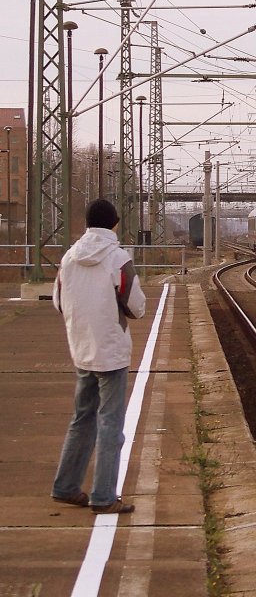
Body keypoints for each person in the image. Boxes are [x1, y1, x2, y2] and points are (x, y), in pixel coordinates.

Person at [50, 198, 146, 514]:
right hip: (112, 351)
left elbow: (58, 302)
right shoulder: (118, 259)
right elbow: (136, 307)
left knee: (81, 419)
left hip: (82, 349)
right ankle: (104, 495)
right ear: (114, 223)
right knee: (110, 424)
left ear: (88, 223)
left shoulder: (69, 258)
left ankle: (65, 486)